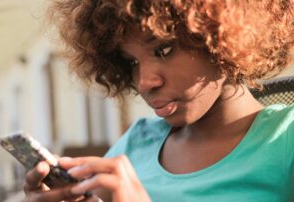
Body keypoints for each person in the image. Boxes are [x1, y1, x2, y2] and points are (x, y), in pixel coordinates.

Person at [24, 0, 294, 201]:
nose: (144, 82)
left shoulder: (285, 139)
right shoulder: (136, 142)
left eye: (163, 50)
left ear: (222, 37)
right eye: (131, 62)